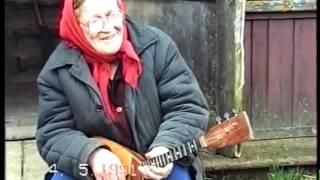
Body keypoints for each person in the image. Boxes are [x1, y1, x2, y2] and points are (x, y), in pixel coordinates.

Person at [36, 0, 209, 179]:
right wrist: (92, 155)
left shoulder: (157, 47)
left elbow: (187, 107)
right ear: (76, 26)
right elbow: (54, 133)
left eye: (112, 14)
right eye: (95, 20)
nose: (108, 28)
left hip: (155, 160)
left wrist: (166, 146)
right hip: (94, 168)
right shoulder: (57, 71)